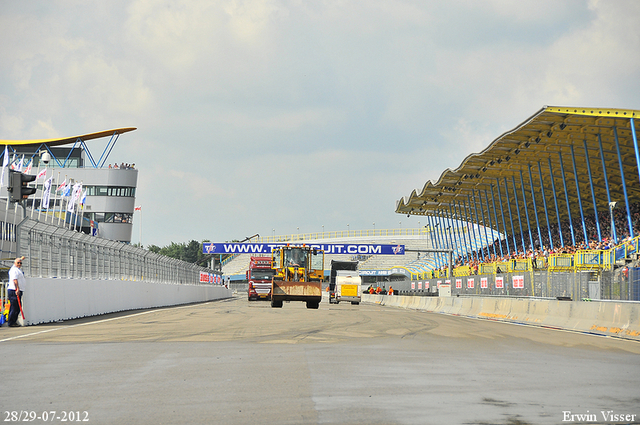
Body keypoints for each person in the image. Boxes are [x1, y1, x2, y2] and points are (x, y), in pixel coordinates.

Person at [7, 256, 26, 327]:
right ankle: (11, 322)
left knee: (16, 307)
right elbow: (15, 280)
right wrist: (17, 289)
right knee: (15, 307)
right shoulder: (14, 270)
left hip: (18, 290)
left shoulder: (17, 269)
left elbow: (18, 260)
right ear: (14, 263)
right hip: (14, 290)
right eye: (18, 263)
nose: (19, 264)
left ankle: (13, 321)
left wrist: (21, 258)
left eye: (20, 263)